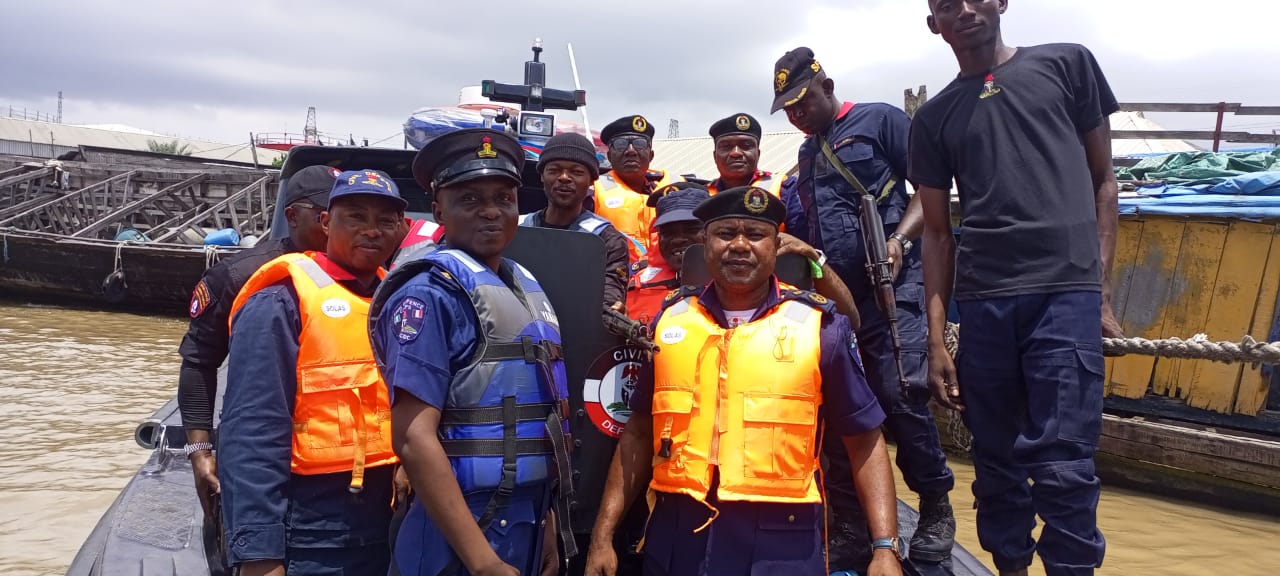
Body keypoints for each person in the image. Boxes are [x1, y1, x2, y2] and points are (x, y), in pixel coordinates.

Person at [584, 186, 903, 576]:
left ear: (776, 244)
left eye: (754, 234)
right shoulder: (668, 323)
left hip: (780, 549)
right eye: (725, 233)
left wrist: (885, 547)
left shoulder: (820, 328)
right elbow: (636, 434)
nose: (739, 245)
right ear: (705, 242)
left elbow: (865, 442)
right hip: (678, 541)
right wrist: (603, 536)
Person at [911, 2, 1121, 575]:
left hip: (1064, 293)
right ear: (935, 24)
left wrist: (1098, 293)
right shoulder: (934, 119)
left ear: (1001, 1)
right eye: (946, 5)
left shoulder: (1067, 65)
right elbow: (935, 232)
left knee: (1063, 466)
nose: (964, 10)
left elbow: (1104, 182)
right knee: (997, 464)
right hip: (984, 302)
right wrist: (935, 343)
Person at [773, 45, 957, 571]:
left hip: (893, 285)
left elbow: (930, 190)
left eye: (802, 102)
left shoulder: (881, 120)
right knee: (837, 405)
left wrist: (899, 239)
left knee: (902, 394)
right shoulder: (807, 156)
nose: (797, 114)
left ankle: (936, 505)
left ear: (826, 87)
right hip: (840, 298)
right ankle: (852, 520)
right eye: (788, 108)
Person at [370, 128, 573, 576]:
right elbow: (412, 436)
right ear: (439, 208)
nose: (491, 212)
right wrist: (482, 562)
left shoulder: (522, 285)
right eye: (470, 200)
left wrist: (546, 522)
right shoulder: (428, 296)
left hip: (525, 519)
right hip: (456, 533)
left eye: (504, 198)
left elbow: (535, 424)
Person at [218, 169, 408, 576]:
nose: (372, 231)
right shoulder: (280, 303)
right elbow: (252, 432)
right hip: (309, 536)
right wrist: (260, 555)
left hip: (388, 530)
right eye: (355, 217)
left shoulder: (401, 302)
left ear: (402, 230)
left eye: (385, 221)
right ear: (326, 223)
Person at [177, 165, 334, 525]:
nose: (338, 224)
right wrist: (200, 454)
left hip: (339, 466)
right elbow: (199, 362)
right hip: (259, 455)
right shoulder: (237, 277)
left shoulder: (372, 278)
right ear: (292, 216)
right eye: (326, 215)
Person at [630, 182, 859, 328]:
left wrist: (815, 260)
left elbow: (846, 321)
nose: (679, 239)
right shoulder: (637, 282)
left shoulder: (761, 270)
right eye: (668, 232)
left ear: (705, 236)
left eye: (690, 229)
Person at [521, 131, 630, 311]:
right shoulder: (517, 229)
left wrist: (613, 308)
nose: (564, 177)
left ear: (591, 180)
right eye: (554, 170)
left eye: (576, 172)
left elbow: (611, 296)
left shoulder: (608, 240)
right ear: (541, 176)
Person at [591, 115, 683, 263]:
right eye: (621, 144)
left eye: (640, 144)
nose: (631, 151)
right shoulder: (593, 190)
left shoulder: (678, 186)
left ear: (651, 155)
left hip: (669, 280)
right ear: (609, 156)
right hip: (615, 278)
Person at [704, 113, 784, 197]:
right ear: (715, 156)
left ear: (758, 153)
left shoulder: (783, 187)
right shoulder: (700, 195)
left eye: (746, 146)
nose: (736, 153)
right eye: (726, 146)